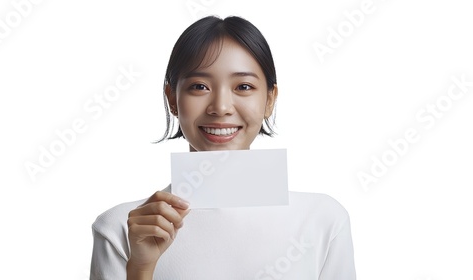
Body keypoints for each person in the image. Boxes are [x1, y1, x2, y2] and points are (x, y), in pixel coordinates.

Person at [90, 15, 356, 280]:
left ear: (269, 100)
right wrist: (140, 268)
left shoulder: (323, 220)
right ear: (172, 98)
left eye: (243, 86)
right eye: (199, 86)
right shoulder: (122, 228)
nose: (221, 107)